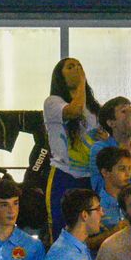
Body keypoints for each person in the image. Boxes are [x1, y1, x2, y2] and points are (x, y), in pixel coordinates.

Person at [43, 58, 105, 237]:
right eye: (71, 67)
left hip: (90, 176)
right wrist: (81, 85)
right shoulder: (53, 102)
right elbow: (74, 111)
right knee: (61, 227)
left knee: (92, 229)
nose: (77, 70)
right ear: (59, 76)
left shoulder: (94, 108)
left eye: (80, 66)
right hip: (65, 174)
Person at [92, 145, 131, 238]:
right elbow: (86, 244)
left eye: (129, 169)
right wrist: (113, 232)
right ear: (105, 172)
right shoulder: (94, 206)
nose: (128, 174)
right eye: (122, 169)